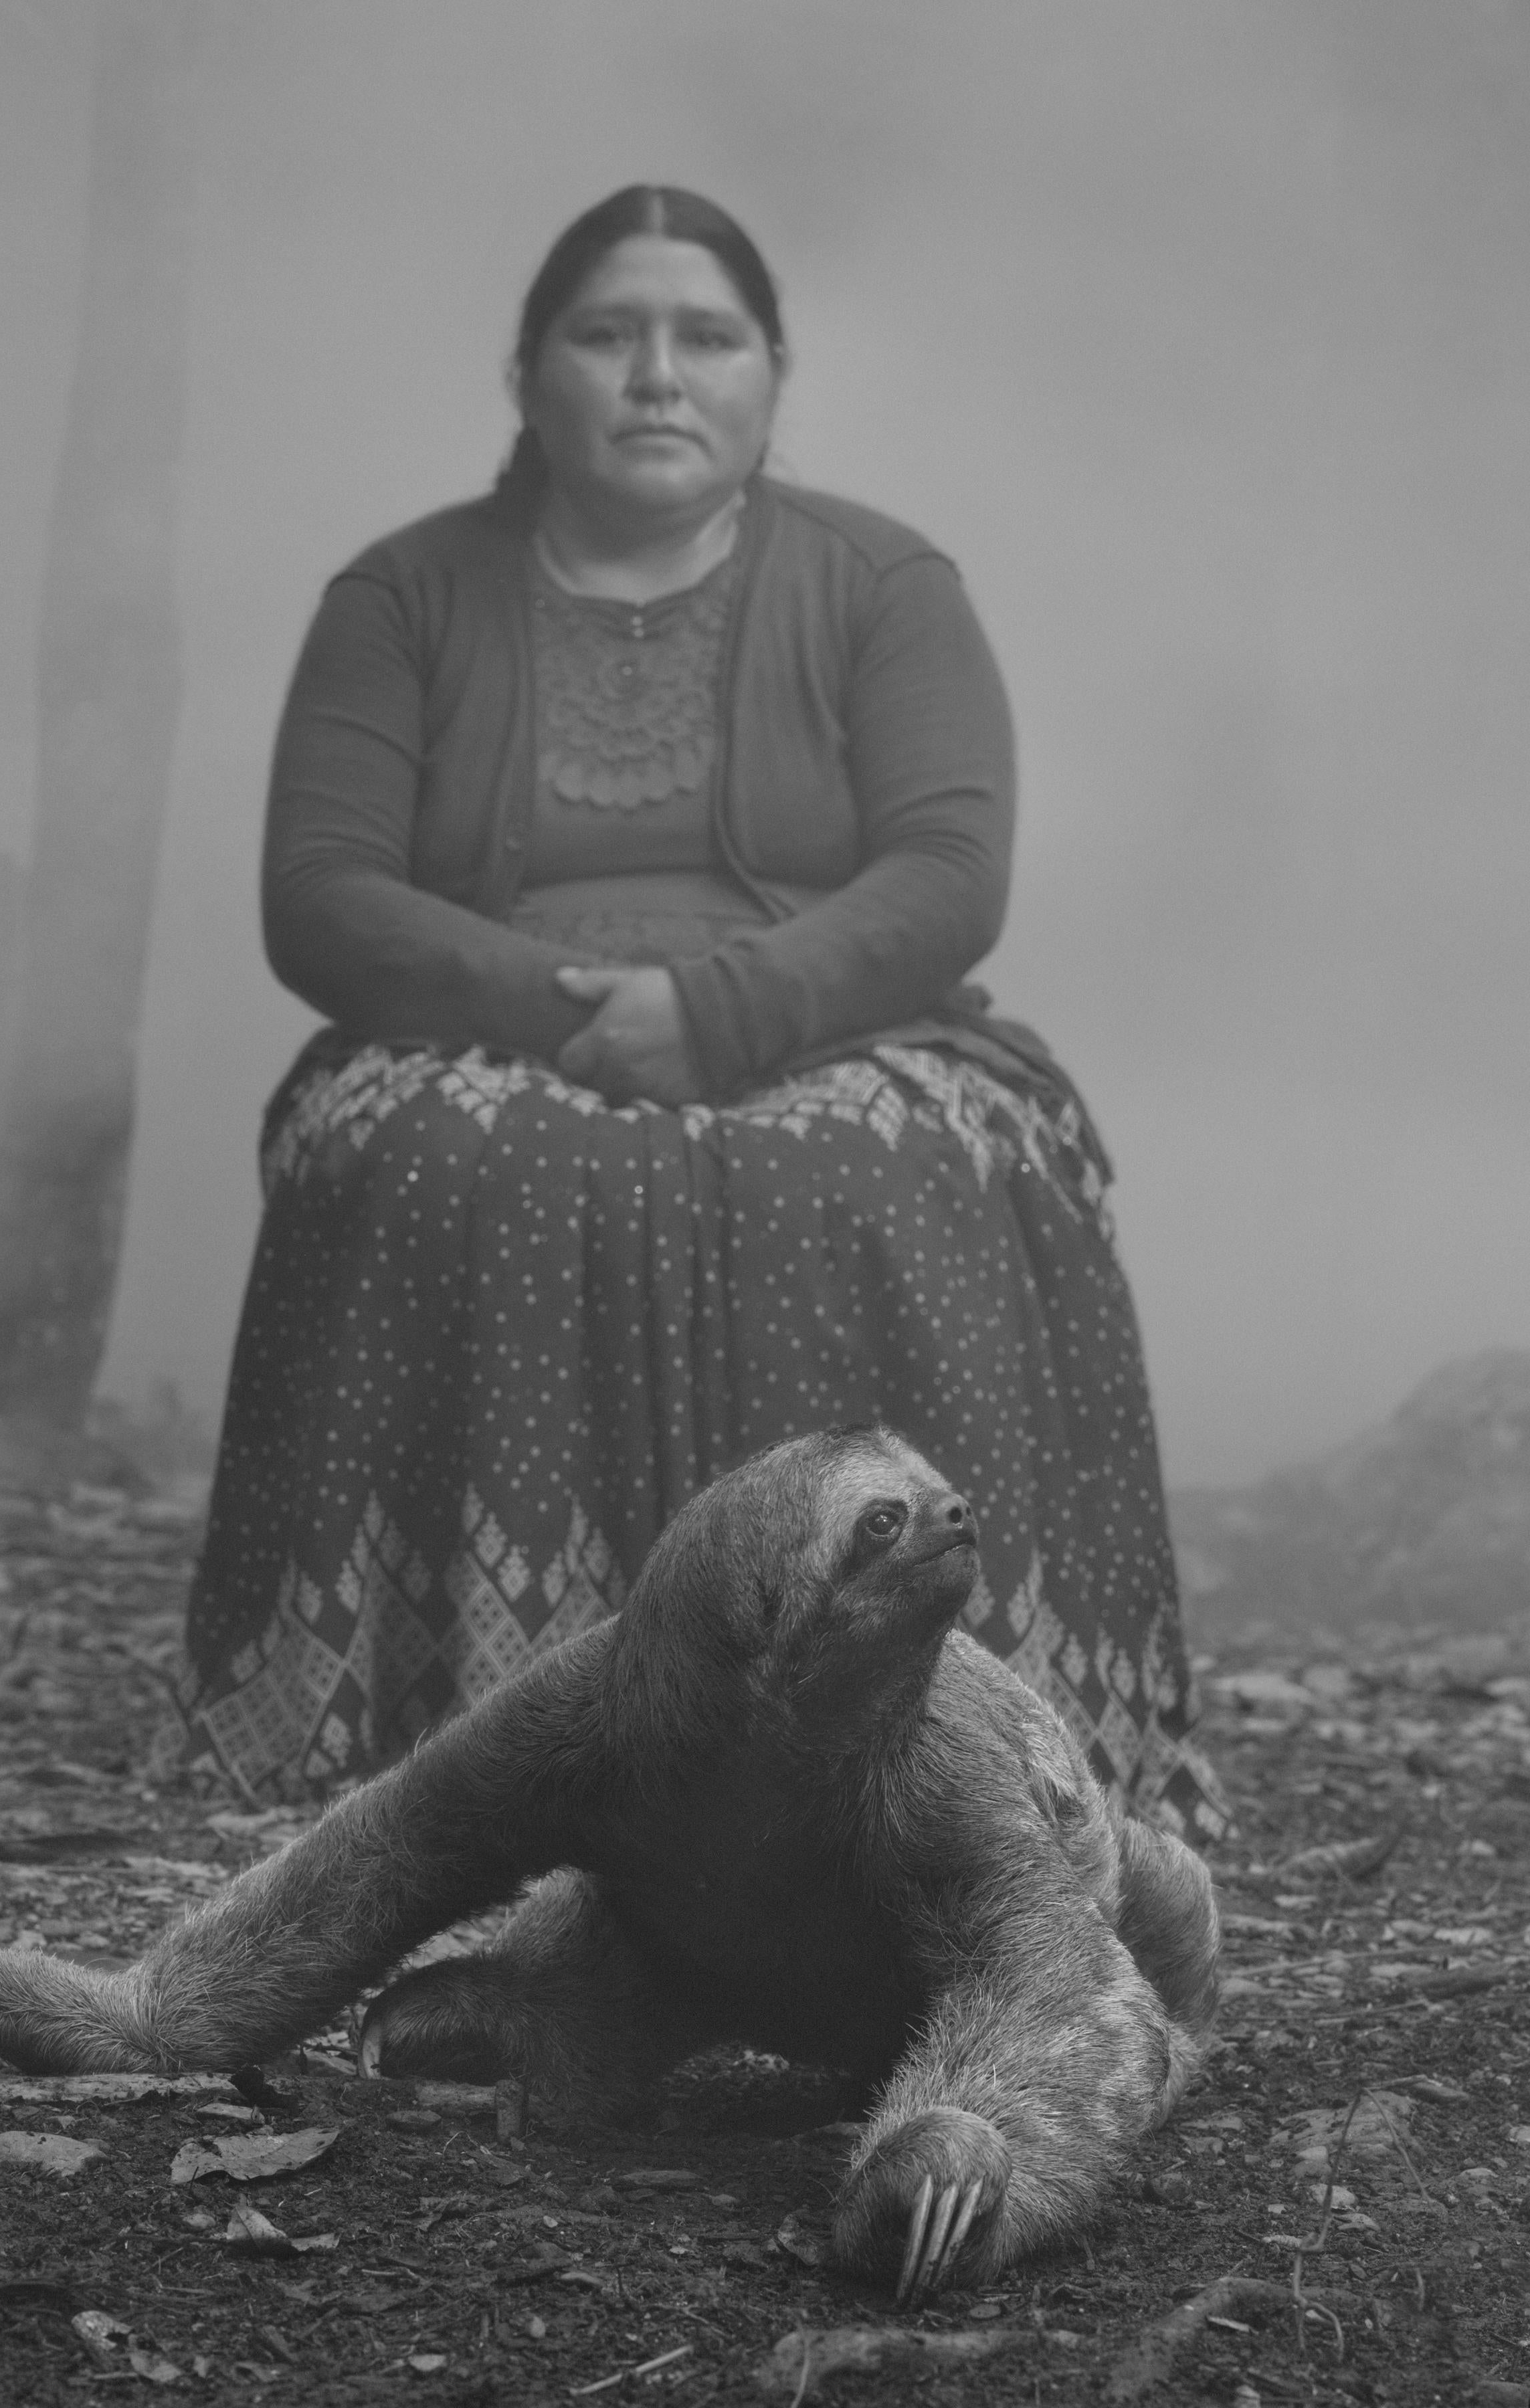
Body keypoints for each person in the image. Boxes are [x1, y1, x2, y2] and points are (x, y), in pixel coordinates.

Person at [165, 184, 1227, 1843]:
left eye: (703, 337)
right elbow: (322, 893)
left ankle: (943, 1733)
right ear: (528, 375)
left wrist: (720, 1013)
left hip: (836, 1020)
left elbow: (947, 872)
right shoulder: (400, 596)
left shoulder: (883, 583)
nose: (656, 374)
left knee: (897, 1163)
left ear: (769, 374)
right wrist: (575, 1012)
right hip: (489, 1030)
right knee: (436, 1150)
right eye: (608, 333)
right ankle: (461, 1734)